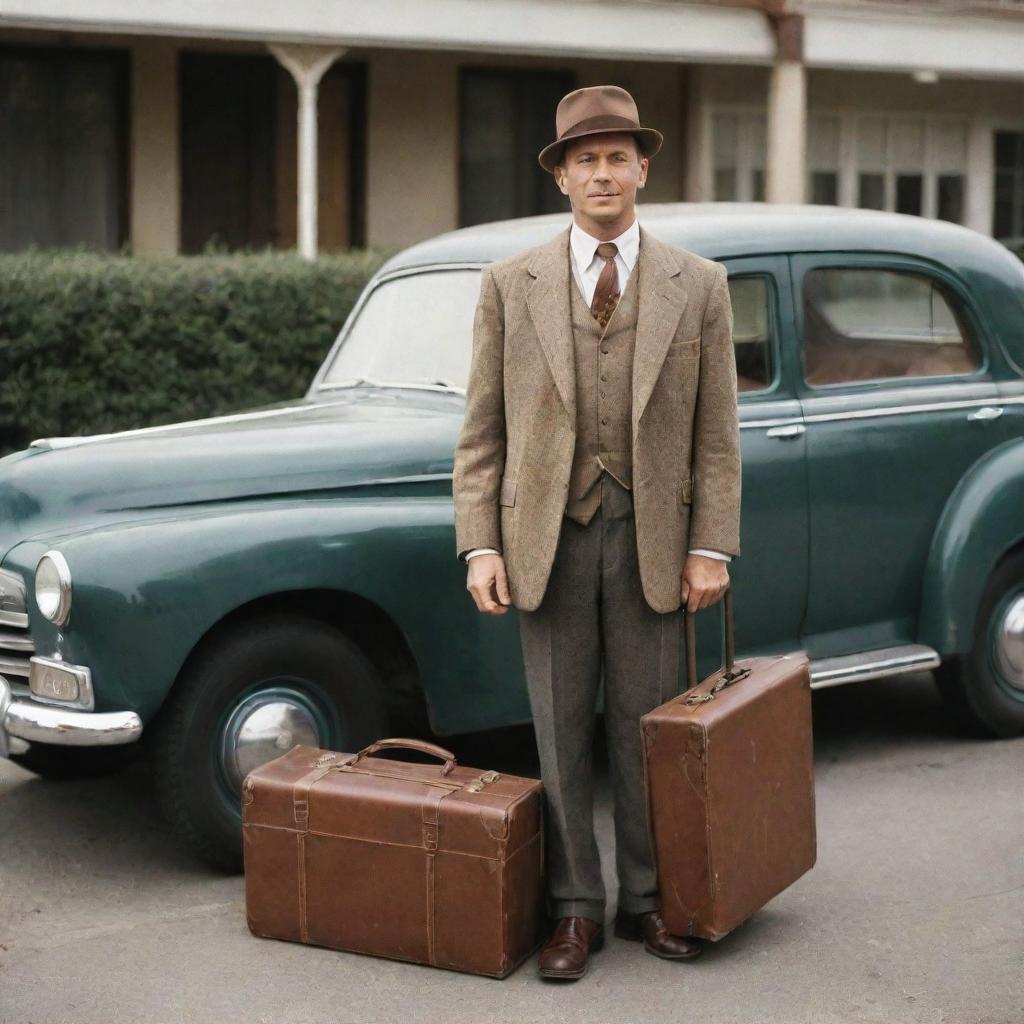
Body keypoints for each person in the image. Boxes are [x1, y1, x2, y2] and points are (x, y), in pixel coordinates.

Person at [452, 84, 741, 981]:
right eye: (587, 160)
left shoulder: (701, 284)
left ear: (643, 169)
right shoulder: (511, 284)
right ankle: (574, 910)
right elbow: (482, 431)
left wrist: (710, 544)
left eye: (619, 157)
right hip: (547, 539)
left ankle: (648, 900)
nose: (604, 174)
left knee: (646, 732)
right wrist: (481, 543)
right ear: (563, 178)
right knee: (559, 729)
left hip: (657, 543)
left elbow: (717, 435)